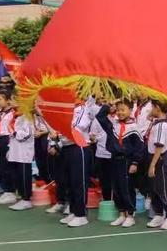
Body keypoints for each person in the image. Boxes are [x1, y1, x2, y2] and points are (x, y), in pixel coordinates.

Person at [96, 99, 145, 228]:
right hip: (114, 159)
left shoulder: (134, 127)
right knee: (116, 187)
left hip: (127, 161)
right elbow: (100, 117)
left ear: (130, 110)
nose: (120, 112)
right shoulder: (113, 124)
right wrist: (109, 106)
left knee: (127, 188)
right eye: (118, 110)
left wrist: (135, 163)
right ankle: (121, 213)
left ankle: (130, 214)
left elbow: (140, 147)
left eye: (123, 110)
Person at [57, 98, 94, 227]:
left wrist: (61, 127)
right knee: (68, 181)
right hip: (66, 147)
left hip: (79, 146)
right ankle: (73, 211)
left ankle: (81, 214)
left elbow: (77, 127)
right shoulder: (67, 109)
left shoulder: (82, 109)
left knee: (79, 181)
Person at [146, 100, 167, 231]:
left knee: (164, 187)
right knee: (155, 188)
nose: (150, 110)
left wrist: (152, 164)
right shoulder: (157, 123)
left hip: (160, 159)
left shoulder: (162, 126)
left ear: (157, 108)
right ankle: (158, 214)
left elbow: (159, 146)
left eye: (152, 107)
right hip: (154, 157)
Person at [7, 109, 35, 211]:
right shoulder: (16, 116)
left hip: (24, 152)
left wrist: (14, 132)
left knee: (24, 175)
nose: (11, 101)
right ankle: (21, 197)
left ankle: (26, 199)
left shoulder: (27, 116)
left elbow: (27, 134)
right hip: (15, 151)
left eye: (13, 99)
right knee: (17, 174)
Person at [0, 90, 16, 205]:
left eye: (0, 99)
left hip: (7, 139)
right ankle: (5, 190)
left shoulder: (13, 113)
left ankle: (11, 191)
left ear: (8, 100)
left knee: (7, 166)